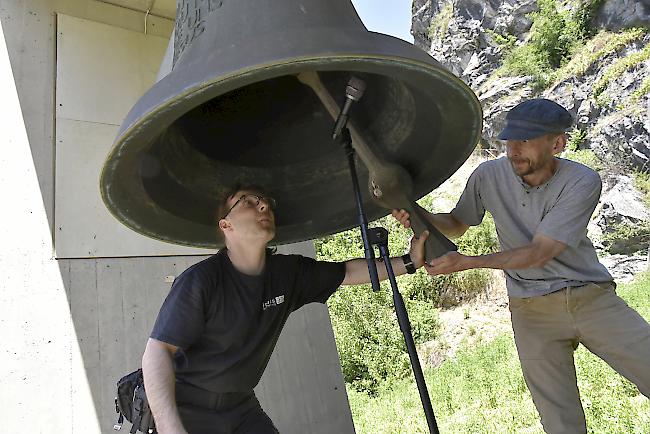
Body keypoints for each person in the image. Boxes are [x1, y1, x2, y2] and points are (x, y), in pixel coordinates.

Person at [393, 98, 650, 434]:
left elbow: (540, 252)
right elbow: (457, 222)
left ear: (556, 143)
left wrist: (469, 262)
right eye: (509, 141)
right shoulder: (487, 176)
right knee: (559, 421)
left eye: (525, 142)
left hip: (590, 298)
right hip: (530, 311)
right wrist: (417, 215)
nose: (513, 151)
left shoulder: (582, 181)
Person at [142, 184, 429, 434]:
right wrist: (170, 428)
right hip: (188, 408)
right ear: (225, 225)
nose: (264, 204)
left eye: (265, 201)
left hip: (240, 408)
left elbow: (347, 272)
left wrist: (409, 262)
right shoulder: (202, 281)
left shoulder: (287, 274)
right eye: (248, 201)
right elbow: (157, 352)